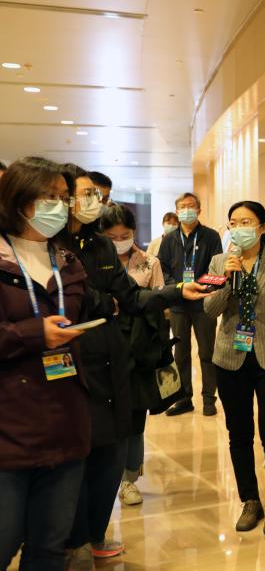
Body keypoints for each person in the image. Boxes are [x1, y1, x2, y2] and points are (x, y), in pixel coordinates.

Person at [59, 166, 210, 570]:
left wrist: (177, 291)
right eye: (86, 194)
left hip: (113, 361)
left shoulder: (101, 247)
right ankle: (73, 541)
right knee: (76, 460)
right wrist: (100, 301)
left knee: (111, 455)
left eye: (96, 195)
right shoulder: (50, 246)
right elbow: (77, 300)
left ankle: (94, 535)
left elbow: (130, 298)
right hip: (70, 365)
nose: (94, 202)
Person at [0, 158, 89, 571]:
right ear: (19, 199)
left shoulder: (67, 261)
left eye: (63, 197)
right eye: (48, 196)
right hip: (10, 430)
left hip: (65, 422)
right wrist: (34, 333)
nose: (59, 205)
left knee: (50, 549)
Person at [204, 201, 265, 536]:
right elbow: (209, 309)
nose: (239, 228)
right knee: (239, 433)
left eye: (246, 222)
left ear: (262, 227)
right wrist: (227, 281)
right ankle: (250, 500)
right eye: (234, 222)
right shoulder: (219, 262)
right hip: (230, 358)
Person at [98, 205, 166, 507]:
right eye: (111, 237)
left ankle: (129, 478)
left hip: (139, 351)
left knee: (136, 415)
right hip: (103, 349)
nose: (118, 241)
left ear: (133, 233)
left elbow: (160, 302)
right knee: (107, 415)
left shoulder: (150, 262)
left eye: (124, 235)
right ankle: (105, 475)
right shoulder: (94, 262)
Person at [158, 192, 223, 416]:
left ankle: (209, 399)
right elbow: (162, 269)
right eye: (183, 206)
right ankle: (184, 399)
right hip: (178, 303)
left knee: (207, 352)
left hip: (204, 303)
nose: (187, 210)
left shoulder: (211, 237)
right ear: (177, 211)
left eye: (191, 206)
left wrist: (200, 287)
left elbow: (218, 269)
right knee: (180, 354)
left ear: (199, 209)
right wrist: (178, 288)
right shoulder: (169, 240)